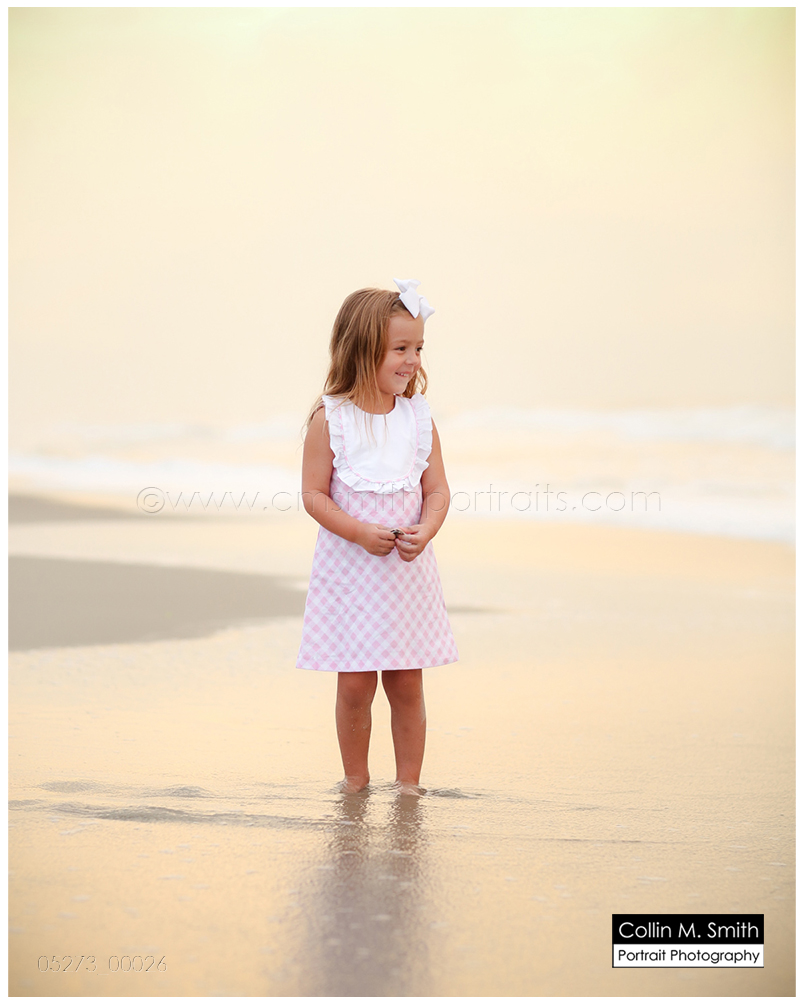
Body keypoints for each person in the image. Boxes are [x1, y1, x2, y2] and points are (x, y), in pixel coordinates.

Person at [297, 278, 458, 795]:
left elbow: (437, 490)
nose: (413, 360)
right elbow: (314, 496)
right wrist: (360, 532)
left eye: (418, 349)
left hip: (405, 573)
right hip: (352, 571)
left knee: (407, 681)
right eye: (401, 349)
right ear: (363, 349)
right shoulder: (332, 419)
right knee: (356, 683)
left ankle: (409, 783)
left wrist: (427, 530)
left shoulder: (418, 418)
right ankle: (356, 779)